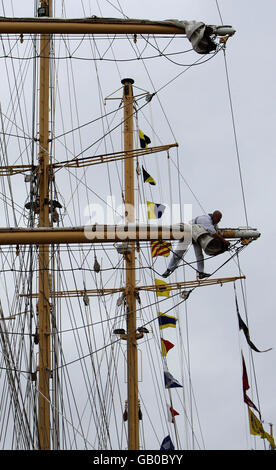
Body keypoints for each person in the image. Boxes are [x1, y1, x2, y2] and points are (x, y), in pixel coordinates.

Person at [162, 210, 230, 279]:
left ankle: (201, 273)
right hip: (188, 232)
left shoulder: (214, 224)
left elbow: (216, 232)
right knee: (179, 253)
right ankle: (168, 269)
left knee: (199, 255)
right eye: (219, 219)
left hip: (197, 235)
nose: (219, 221)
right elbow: (213, 233)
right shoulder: (205, 220)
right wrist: (224, 241)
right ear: (214, 216)